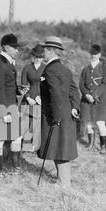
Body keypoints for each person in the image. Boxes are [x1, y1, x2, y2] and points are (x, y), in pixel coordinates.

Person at [37, 36, 80, 188]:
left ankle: (64, 183)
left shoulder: (50, 70)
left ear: (49, 51)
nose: (43, 53)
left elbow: (54, 95)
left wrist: (55, 117)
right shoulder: (65, 69)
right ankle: (63, 180)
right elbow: (74, 90)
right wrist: (75, 107)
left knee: (60, 149)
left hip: (56, 115)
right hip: (66, 113)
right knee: (60, 148)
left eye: (44, 50)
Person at [0, 33, 22, 176]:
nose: (17, 51)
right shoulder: (0, 64)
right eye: (14, 48)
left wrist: (19, 90)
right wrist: (3, 112)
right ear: (6, 47)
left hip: (11, 106)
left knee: (16, 138)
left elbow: (8, 86)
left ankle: (16, 170)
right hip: (2, 107)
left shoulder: (7, 63)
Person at [79, 44, 106, 154]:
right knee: (89, 123)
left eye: (95, 54)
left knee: (100, 123)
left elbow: (105, 84)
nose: (93, 56)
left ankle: (103, 146)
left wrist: (95, 95)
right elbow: (81, 84)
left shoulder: (104, 68)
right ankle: (90, 143)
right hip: (87, 100)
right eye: (92, 54)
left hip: (99, 100)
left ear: (100, 55)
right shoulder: (85, 69)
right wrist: (87, 95)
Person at [19, 44, 45, 151]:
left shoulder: (46, 68)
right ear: (32, 57)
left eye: (40, 57)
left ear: (42, 57)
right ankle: (24, 145)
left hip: (41, 99)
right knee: (26, 122)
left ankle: (37, 146)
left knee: (38, 122)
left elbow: (49, 86)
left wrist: (42, 97)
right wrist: (28, 97)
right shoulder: (27, 68)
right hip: (29, 98)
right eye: (36, 57)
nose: (38, 59)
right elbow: (23, 85)